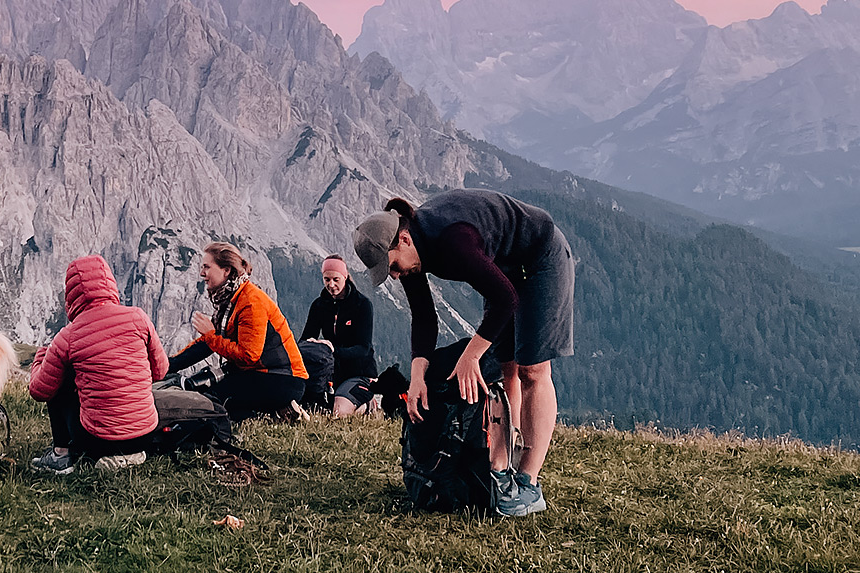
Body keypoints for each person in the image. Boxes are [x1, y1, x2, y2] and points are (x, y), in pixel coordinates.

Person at [351, 190, 575, 517]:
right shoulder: (413, 251)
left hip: (542, 254)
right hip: (504, 266)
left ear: (403, 239)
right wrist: (416, 379)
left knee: (532, 371)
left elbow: (506, 300)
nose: (395, 275)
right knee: (506, 366)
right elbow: (425, 318)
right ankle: (506, 470)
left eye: (393, 265)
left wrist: (470, 357)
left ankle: (529, 484)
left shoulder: (453, 240)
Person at [26, 254, 170, 475]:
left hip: (99, 441)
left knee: (59, 385)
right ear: (109, 283)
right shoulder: (138, 318)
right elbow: (160, 372)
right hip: (146, 434)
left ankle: (61, 455)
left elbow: (39, 390)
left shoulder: (68, 336)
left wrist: (41, 357)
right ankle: (131, 453)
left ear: (71, 294)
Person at [166, 243, 307, 422]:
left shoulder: (250, 301)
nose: (202, 273)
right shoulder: (230, 298)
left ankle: (274, 414)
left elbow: (249, 356)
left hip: (283, 380)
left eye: (207, 267)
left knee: (213, 401)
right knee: (205, 391)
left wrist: (211, 336)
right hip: (261, 374)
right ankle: (279, 412)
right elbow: (208, 343)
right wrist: (170, 364)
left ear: (226, 270)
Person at [299, 255, 377, 417]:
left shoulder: (362, 304)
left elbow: (364, 348)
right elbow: (306, 338)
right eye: (326, 279)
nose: (331, 285)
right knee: (314, 409)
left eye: (336, 279)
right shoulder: (319, 305)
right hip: (331, 371)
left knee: (338, 413)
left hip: (359, 372)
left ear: (345, 276)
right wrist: (312, 346)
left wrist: (333, 350)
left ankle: (368, 406)